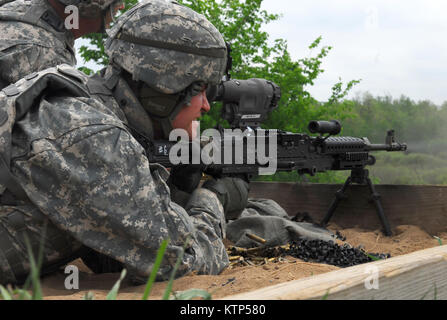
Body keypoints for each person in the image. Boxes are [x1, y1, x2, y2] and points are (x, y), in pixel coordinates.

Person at [0, 0, 250, 285]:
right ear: (165, 91)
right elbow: (180, 262)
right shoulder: (96, 137)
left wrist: (176, 190)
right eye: (201, 90)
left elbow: (108, 250)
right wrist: (215, 198)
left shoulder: (82, 108)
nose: (205, 106)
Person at [0, 0, 124, 90]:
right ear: (90, 7)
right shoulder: (45, 54)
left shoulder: (20, 12)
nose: (121, 6)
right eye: (116, 3)